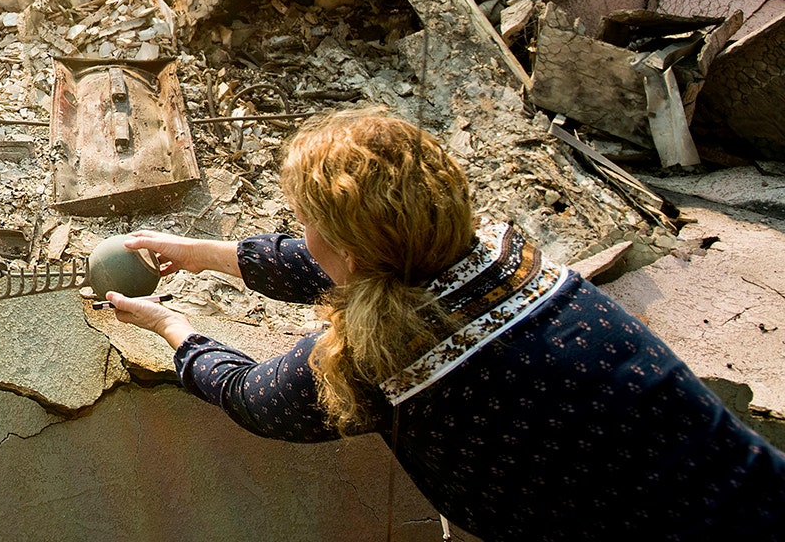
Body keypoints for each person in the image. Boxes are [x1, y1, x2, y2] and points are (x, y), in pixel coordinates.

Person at [106, 109, 785, 542]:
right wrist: (207, 256)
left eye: (307, 224)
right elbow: (375, 267)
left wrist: (176, 331)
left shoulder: (383, 358)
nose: (300, 235)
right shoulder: (499, 250)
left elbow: (259, 399)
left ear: (343, 245)